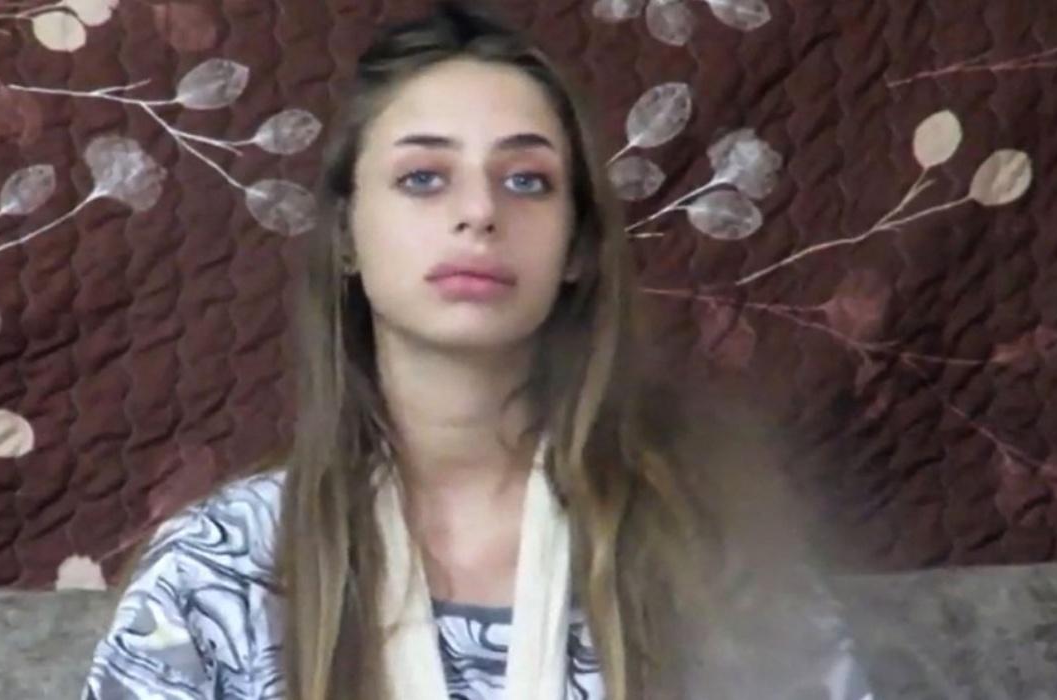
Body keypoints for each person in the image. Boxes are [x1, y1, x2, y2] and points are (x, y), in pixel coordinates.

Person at [82, 2, 876, 699]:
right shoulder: (215, 574)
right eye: (424, 178)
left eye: (526, 180)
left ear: (577, 247)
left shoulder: (714, 559)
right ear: (347, 235)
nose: (479, 211)